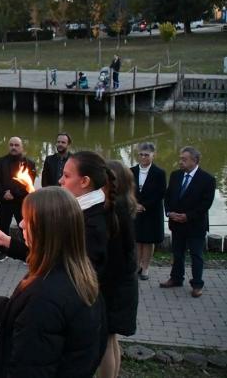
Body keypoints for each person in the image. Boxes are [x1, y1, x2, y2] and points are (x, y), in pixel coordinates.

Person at [0, 187, 105, 378]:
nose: (20, 224)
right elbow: (18, 313)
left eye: (27, 220)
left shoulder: (45, 296)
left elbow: (29, 367)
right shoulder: (78, 274)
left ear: (46, 230)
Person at [98, 160, 139, 378]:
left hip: (113, 287)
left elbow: (112, 257)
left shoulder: (113, 212)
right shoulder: (123, 205)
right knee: (112, 339)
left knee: (104, 340)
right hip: (122, 285)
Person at [161, 146, 216, 298]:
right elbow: (168, 196)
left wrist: (188, 216)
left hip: (195, 225)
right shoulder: (175, 175)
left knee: (196, 255)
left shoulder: (207, 179)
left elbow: (206, 204)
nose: (180, 162)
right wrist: (169, 212)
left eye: (184, 159)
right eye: (180, 159)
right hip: (176, 223)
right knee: (177, 253)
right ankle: (176, 278)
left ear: (195, 160)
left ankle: (197, 284)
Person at [0, 137, 36, 262]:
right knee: (2, 226)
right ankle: (3, 252)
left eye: (16, 145)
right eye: (11, 145)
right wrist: (2, 193)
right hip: (4, 202)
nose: (13, 147)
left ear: (22, 147)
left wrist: (14, 193)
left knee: (25, 228)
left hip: (21, 202)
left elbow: (28, 182)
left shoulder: (29, 163)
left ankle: (29, 252)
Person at [130, 142, 166, 281]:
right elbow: (127, 190)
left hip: (152, 211)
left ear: (153, 155)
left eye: (146, 155)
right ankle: (137, 265)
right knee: (138, 239)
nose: (143, 157)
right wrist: (134, 204)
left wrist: (144, 205)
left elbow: (160, 192)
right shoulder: (131, 170)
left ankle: (146, 267)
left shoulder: (159, 173)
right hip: (135, 210)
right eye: (141, 154)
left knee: (149, 240)